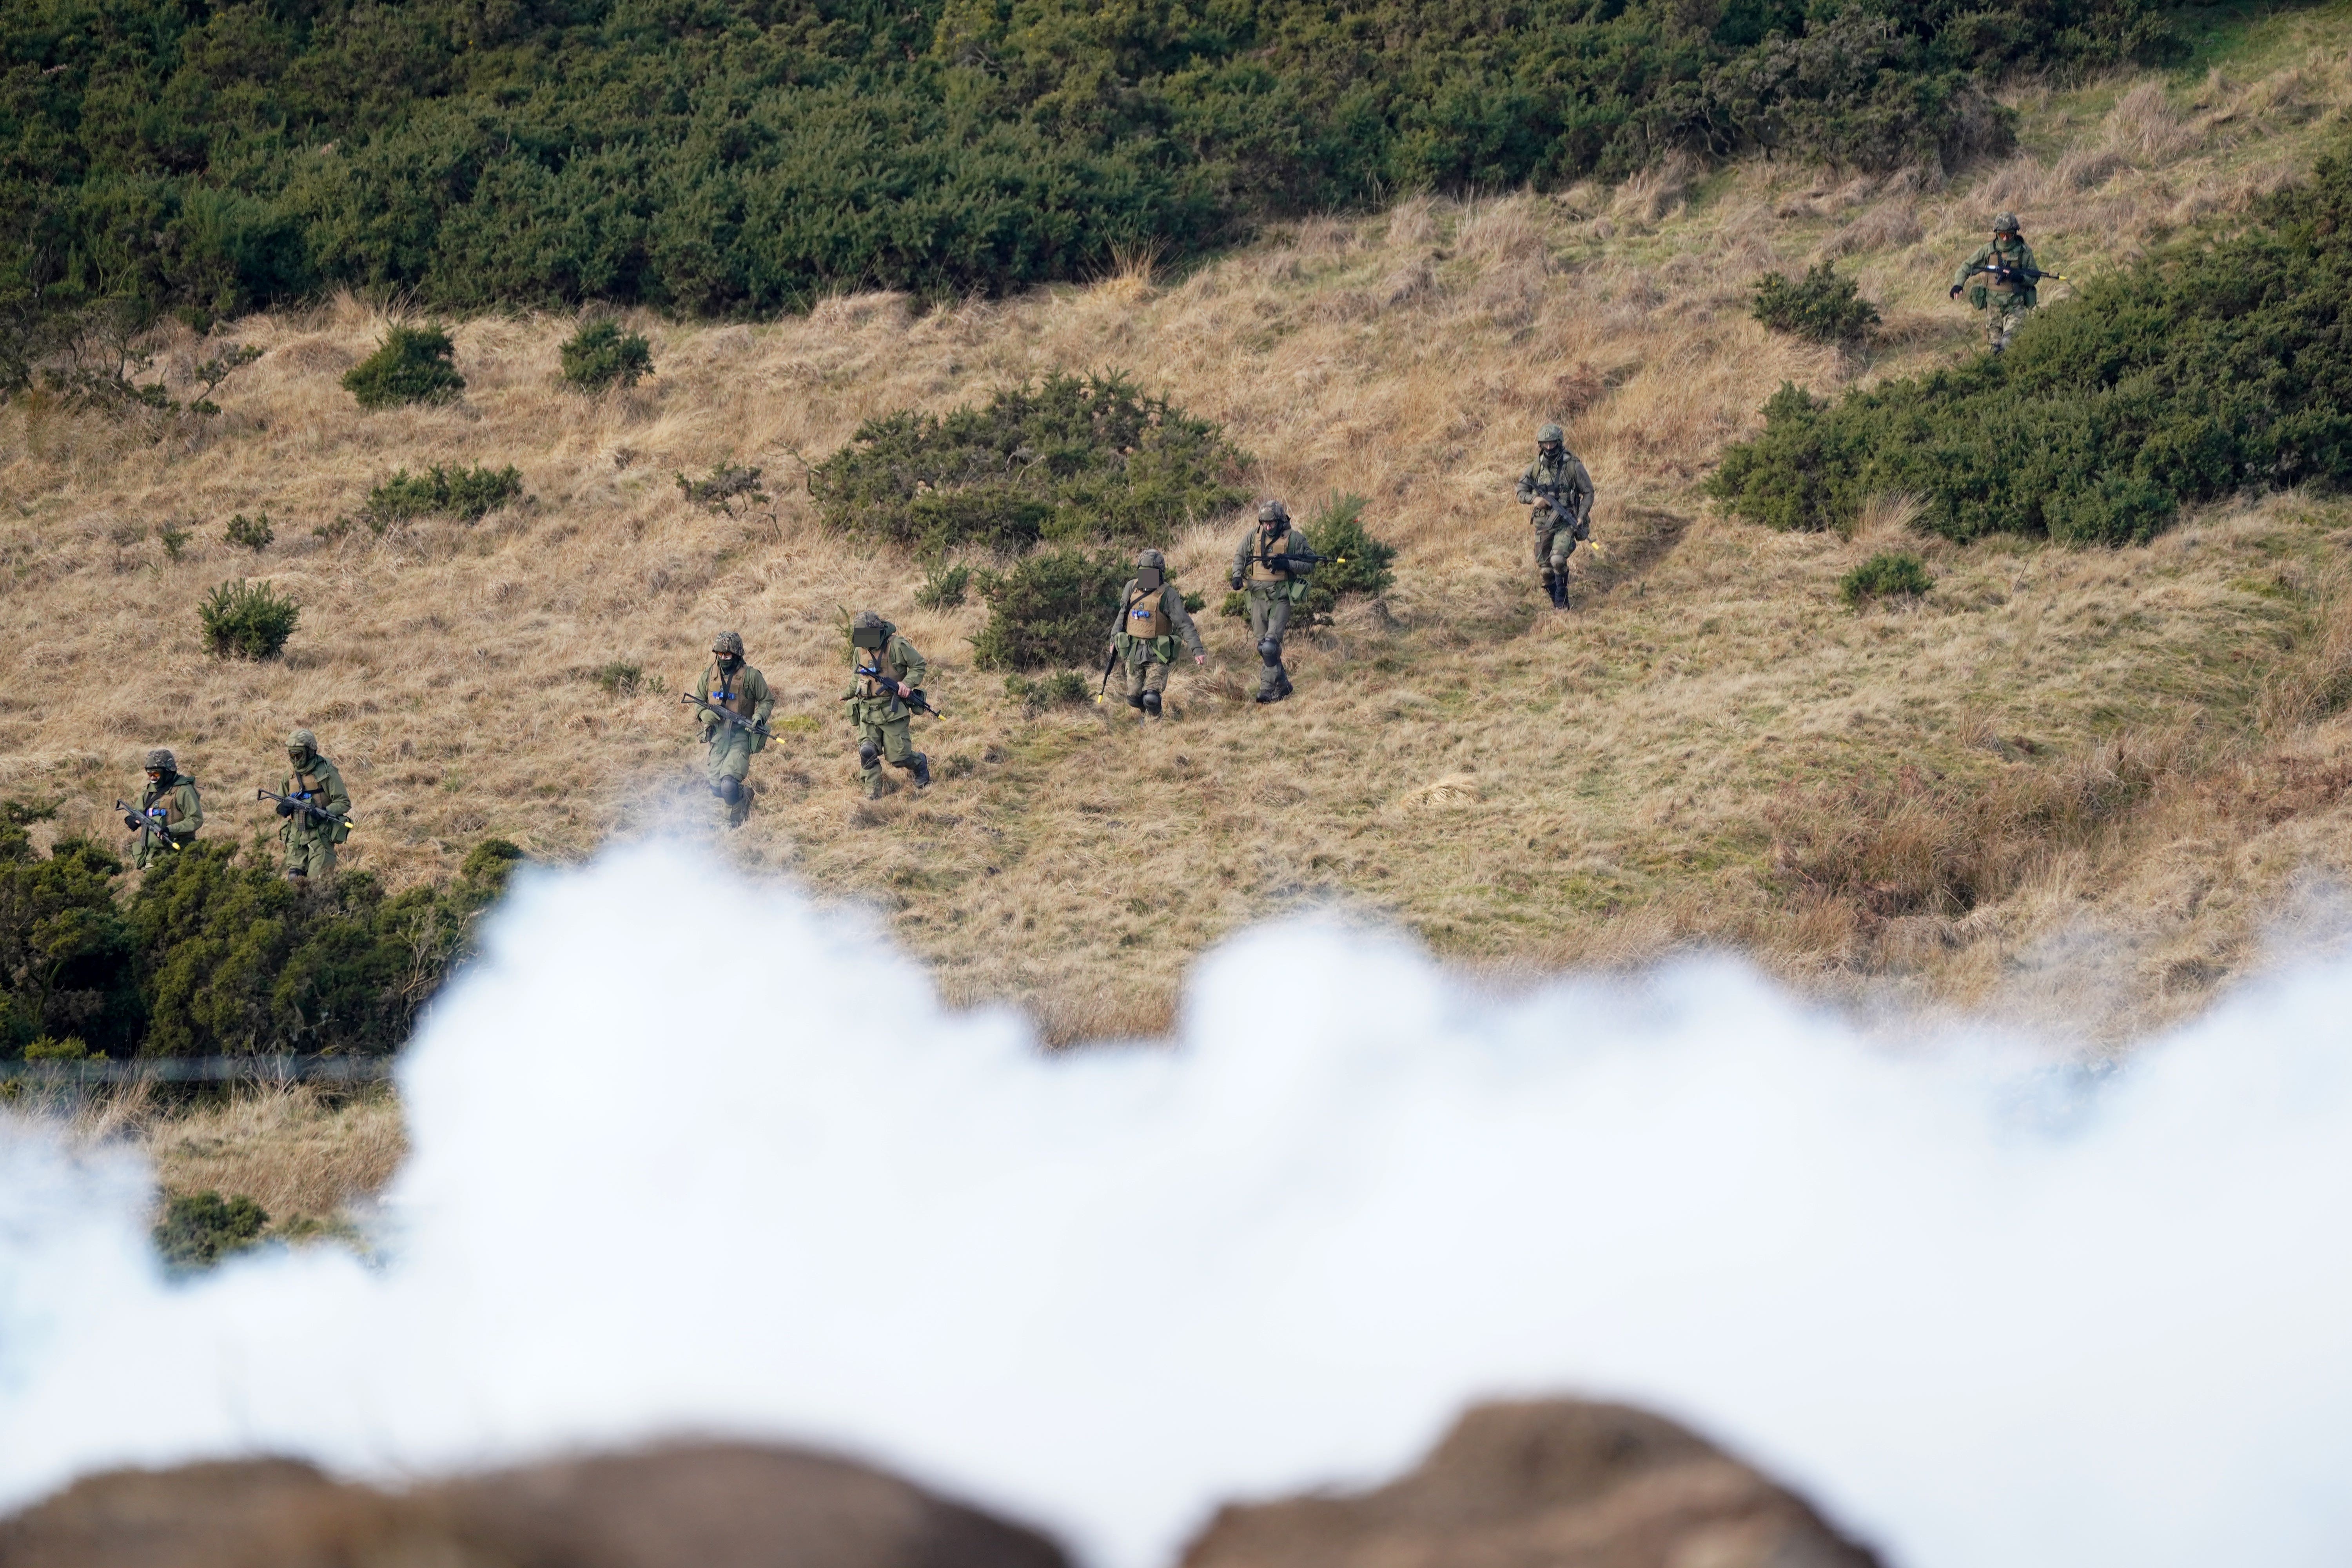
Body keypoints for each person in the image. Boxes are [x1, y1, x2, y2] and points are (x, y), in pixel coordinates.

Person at [1108, 548, 1206, 719]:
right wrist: (1113, 640)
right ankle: (1146, 716)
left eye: (1151, 574)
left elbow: (1184, 623)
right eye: (1144, 573)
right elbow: (1123, 615)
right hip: (1134, 652)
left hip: (1158, 653)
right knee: (1133, 698)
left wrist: (1197, 650)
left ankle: (1155, 724)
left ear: (1160, 574)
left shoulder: (1167, 595)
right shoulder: (1131, 588)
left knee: (1151, 697)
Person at [1230, 500, 1313, 703]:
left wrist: (1287, 563)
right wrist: (1237, 575)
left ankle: (1266, 690)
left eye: (1272, 523)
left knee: (1270, 646)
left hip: (1281, 598)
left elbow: (1310, 563)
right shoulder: (1254, 536)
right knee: (1264, 648)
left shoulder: (1294, 539)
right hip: (1257, 599)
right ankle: (1284, 685)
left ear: (1280, 521)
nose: (1268, 527)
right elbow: (1240, 555)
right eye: (1264, 523)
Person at [845, 610, 930, 797]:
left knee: (899, 758)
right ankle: (872, 794)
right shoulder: (860, 650)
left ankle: (919, 763)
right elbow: (857, 675)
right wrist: (848, 694)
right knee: (867, 751)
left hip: (892, 710)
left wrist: (906, 684)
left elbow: (919, 665)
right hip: (867, 711)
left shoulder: (897, 645)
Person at [694, 630, 773, 828]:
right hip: (718, 738)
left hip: (741, 738)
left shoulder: (751, 676)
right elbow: (699, 701)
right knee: (716, 788)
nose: (723, 659)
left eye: (727, 655)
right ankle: (744, 796)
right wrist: (704, 714)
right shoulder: (708, 675)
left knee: (728, 783)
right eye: (720, 655)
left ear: (737, 654)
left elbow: (767, 700)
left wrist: (759, 716)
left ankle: (734, 824)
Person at [1516, 423, 1594, 610]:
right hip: (1544, 524)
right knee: (1545, 571)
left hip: (1565, 522)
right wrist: (1534, 499)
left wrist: (1582, 516)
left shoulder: (1572, 465)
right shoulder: (1535, 468)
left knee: (1558, 560)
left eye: (1552, 444)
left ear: (1560, 443)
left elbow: (1588, 492)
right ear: (1541, 445)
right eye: (1545, 444)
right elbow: (1521, 491)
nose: (1549, 448)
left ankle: (1562, 603)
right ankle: (1557, 602)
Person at [1950, 212, 2041, 354]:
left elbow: (2035, 276)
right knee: (1996, 350)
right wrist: (1958, 284)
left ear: (2015, 233)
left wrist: (2020, 278)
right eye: (2002, 235)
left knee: (2009, 343)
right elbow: (1966, 266)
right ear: (1996, 234)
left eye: (2010, 235)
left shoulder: (2024, 252)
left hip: (2016, 307)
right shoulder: (1988, 250)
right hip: (1993, 309)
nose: (2006, 238)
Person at [275, 728, 350, 880]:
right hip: (296, 839)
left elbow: (344, 803)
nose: (295, 760)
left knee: (317, 884)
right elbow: (280, 801)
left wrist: (324, 811)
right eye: (292, 755)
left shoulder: (327, 773)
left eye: (299, 755)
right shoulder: (289, 776)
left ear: (310, 752)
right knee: (294, 883)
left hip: (320, 837)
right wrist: (282, 808)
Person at [125, 748, 202, 868]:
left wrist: (170, 829)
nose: (153, 778)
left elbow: (196, 819)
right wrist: (130, 820)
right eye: (150, 774)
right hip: (152, 859)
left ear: (168, 771)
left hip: (179, 859)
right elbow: (138, 812)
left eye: (156, 774)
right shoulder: (149, 792)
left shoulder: (183, 791)